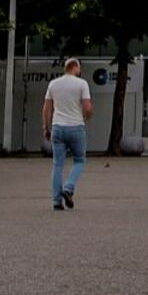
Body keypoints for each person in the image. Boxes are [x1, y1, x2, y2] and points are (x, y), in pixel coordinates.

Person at [42, 58, 93, 210]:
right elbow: (88, 107)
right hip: (76, 126)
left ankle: (57, 202)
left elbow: (46, 109)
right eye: (79, 67)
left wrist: (46, 127)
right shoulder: (82, 84)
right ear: (74, 67)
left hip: (58, 127)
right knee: (79, 160)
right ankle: (68, 188)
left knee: (57, 164)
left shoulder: (53, 84)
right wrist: (87, 116)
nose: (80, 70)